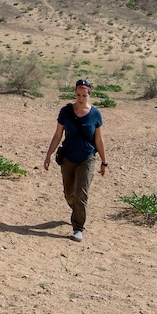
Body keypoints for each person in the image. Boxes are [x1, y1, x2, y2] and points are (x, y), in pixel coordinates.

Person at [42, 79, 107, 242]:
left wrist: (104, 161)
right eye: (78, 95)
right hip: (68, 157)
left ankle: (78, 228)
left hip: (87, 157)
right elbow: (58, 135)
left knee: (81, 194)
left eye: (84, 95)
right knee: (69, 193)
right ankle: (76, 209)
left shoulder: (95, 114)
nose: (81, 98)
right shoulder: (66, 111)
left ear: (89, 94)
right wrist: (49, 154)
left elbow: (99, 140)